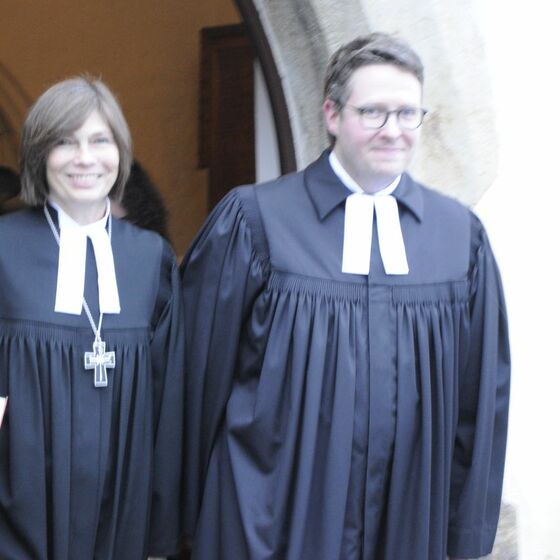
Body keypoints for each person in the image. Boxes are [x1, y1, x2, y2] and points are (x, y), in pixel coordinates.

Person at [181, 32, 510, 560]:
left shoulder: (458, 238)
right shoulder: (255, 221)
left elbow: (480, 401)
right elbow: (196, 381)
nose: (393, 131)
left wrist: (465, 535)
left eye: (408, 114)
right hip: (268, 519)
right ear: (332, 115)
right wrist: (182, 522)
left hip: (406, 521)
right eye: (373, 112)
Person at [0, 77, 184, 559]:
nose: (85, 158)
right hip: (17, 514)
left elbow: (167, 402)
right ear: (39, 155)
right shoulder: (3, 247)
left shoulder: (151, 259)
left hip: (120, 513)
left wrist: (160, 538)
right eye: (65, 142)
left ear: (120, 153)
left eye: (100, 140)